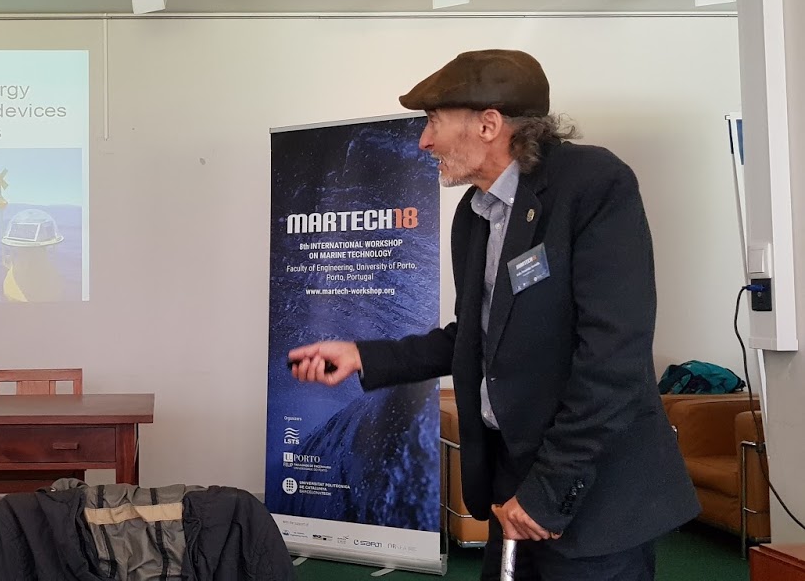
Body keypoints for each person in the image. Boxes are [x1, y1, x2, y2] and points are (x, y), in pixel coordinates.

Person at [288, 49, 699, 581]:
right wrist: (363, 355)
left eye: (433, 121)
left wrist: (548, 490)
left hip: (592, 493)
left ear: (488, 124)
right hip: (513, 484)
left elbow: (612, 357)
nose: (424, 141)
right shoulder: (474, 215)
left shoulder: (594, 183)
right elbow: (477, 337)